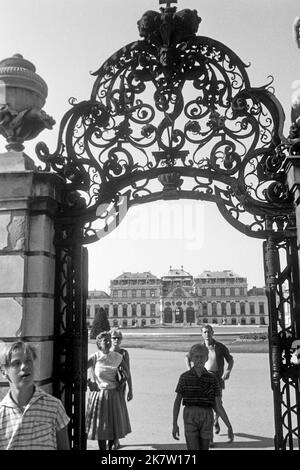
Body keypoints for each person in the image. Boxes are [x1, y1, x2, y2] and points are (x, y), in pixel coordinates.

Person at [0, 340, 70, 450]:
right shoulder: (1, 414)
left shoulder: (54, 407)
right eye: (16, 363)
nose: (24, 366)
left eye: (28, 361)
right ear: (4, 372)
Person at [173, 343, 233, 450]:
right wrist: (174, 424)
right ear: (191, 358)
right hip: (190, 414)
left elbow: (217, 405)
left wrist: (229, 426)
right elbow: (177, 401)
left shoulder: (212, 379)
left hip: (207, 414)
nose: (199, 359)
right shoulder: (184, 377)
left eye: (202, 357)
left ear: (206, 358)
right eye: (196, 357)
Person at [185, 323, 234, 444]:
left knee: (218, 404)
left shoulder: (220, 347)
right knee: (207, 406)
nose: (207, 334)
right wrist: (189, 370)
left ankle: (218, 421)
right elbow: (187, 357)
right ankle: (210, 437)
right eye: (205, 332)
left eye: (209, 332)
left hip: (217, 378)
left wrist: (228, 371)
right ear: (202, 334)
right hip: (203, 378)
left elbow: (230, 359)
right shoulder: (199, 347)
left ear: (213, 333)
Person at [86, 331, 131, 450]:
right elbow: (80, 370)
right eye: (105, 340)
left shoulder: (117, 356)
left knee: (112, 425)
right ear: (99, 343)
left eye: (109, 340)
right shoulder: (95, 357)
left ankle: (110, 449)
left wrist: (124, 384)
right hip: (99, 395)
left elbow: (127, 373)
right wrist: (89, 382)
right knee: (101, 426)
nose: (108, 342)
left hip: (114, 394)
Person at [110, 327, 133, 450]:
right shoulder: (105, 351)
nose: (116, 340)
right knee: (109, 413)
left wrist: (131, 389)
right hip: (107, 386)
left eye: (119, 338)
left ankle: (116, 438)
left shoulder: (124, 353)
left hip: (120, 386)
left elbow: (128, 372)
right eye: (114, 338)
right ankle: (112, 438)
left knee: (117, 413)